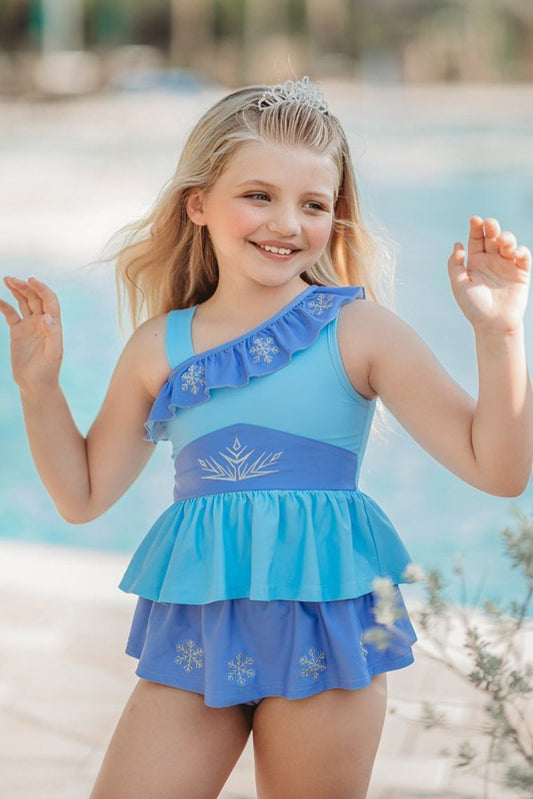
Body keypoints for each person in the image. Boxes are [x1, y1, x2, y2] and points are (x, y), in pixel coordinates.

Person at [1, 76, 531, 799]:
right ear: (198, 203)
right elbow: (82, 495)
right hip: (199, 619)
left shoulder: (360, 329)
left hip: (341, 616)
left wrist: (499, 331)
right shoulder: (160, 346)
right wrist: (39, 389)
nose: (286, 222)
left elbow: (496, 470)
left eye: (312, 204)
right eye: (259, 195)